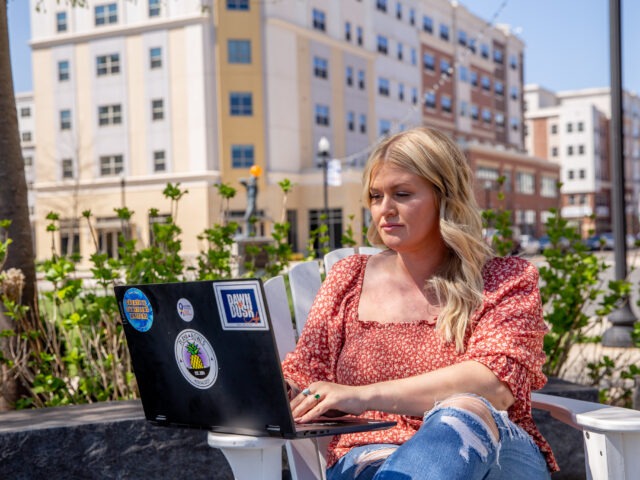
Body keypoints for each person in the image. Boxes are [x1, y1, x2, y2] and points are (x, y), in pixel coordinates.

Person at [281, 127, 557, 479]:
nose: (385, 209)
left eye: (402, 193)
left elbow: (493, 386)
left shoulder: (505, 280)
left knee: (464, 408)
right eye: (376, 196)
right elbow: (307, 375)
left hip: (496, 455)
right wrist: (263, 385)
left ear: (446, 198)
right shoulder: (348, 278)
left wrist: (359, 396)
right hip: (373, 455)